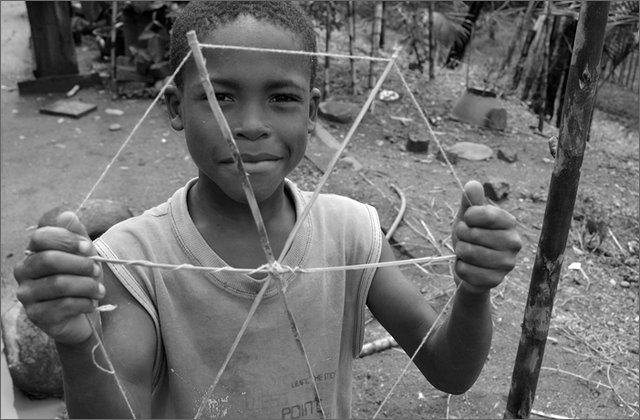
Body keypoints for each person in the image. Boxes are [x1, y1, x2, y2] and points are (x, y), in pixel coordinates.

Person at [14, 2, 522, 418]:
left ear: (312, 111)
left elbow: (450, 371)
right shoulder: (131, 259)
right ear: (174, 107)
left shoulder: (350, 232)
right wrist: (79, 346)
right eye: (220, 96)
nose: (251, 125)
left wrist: (473, 291)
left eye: (281, 97)